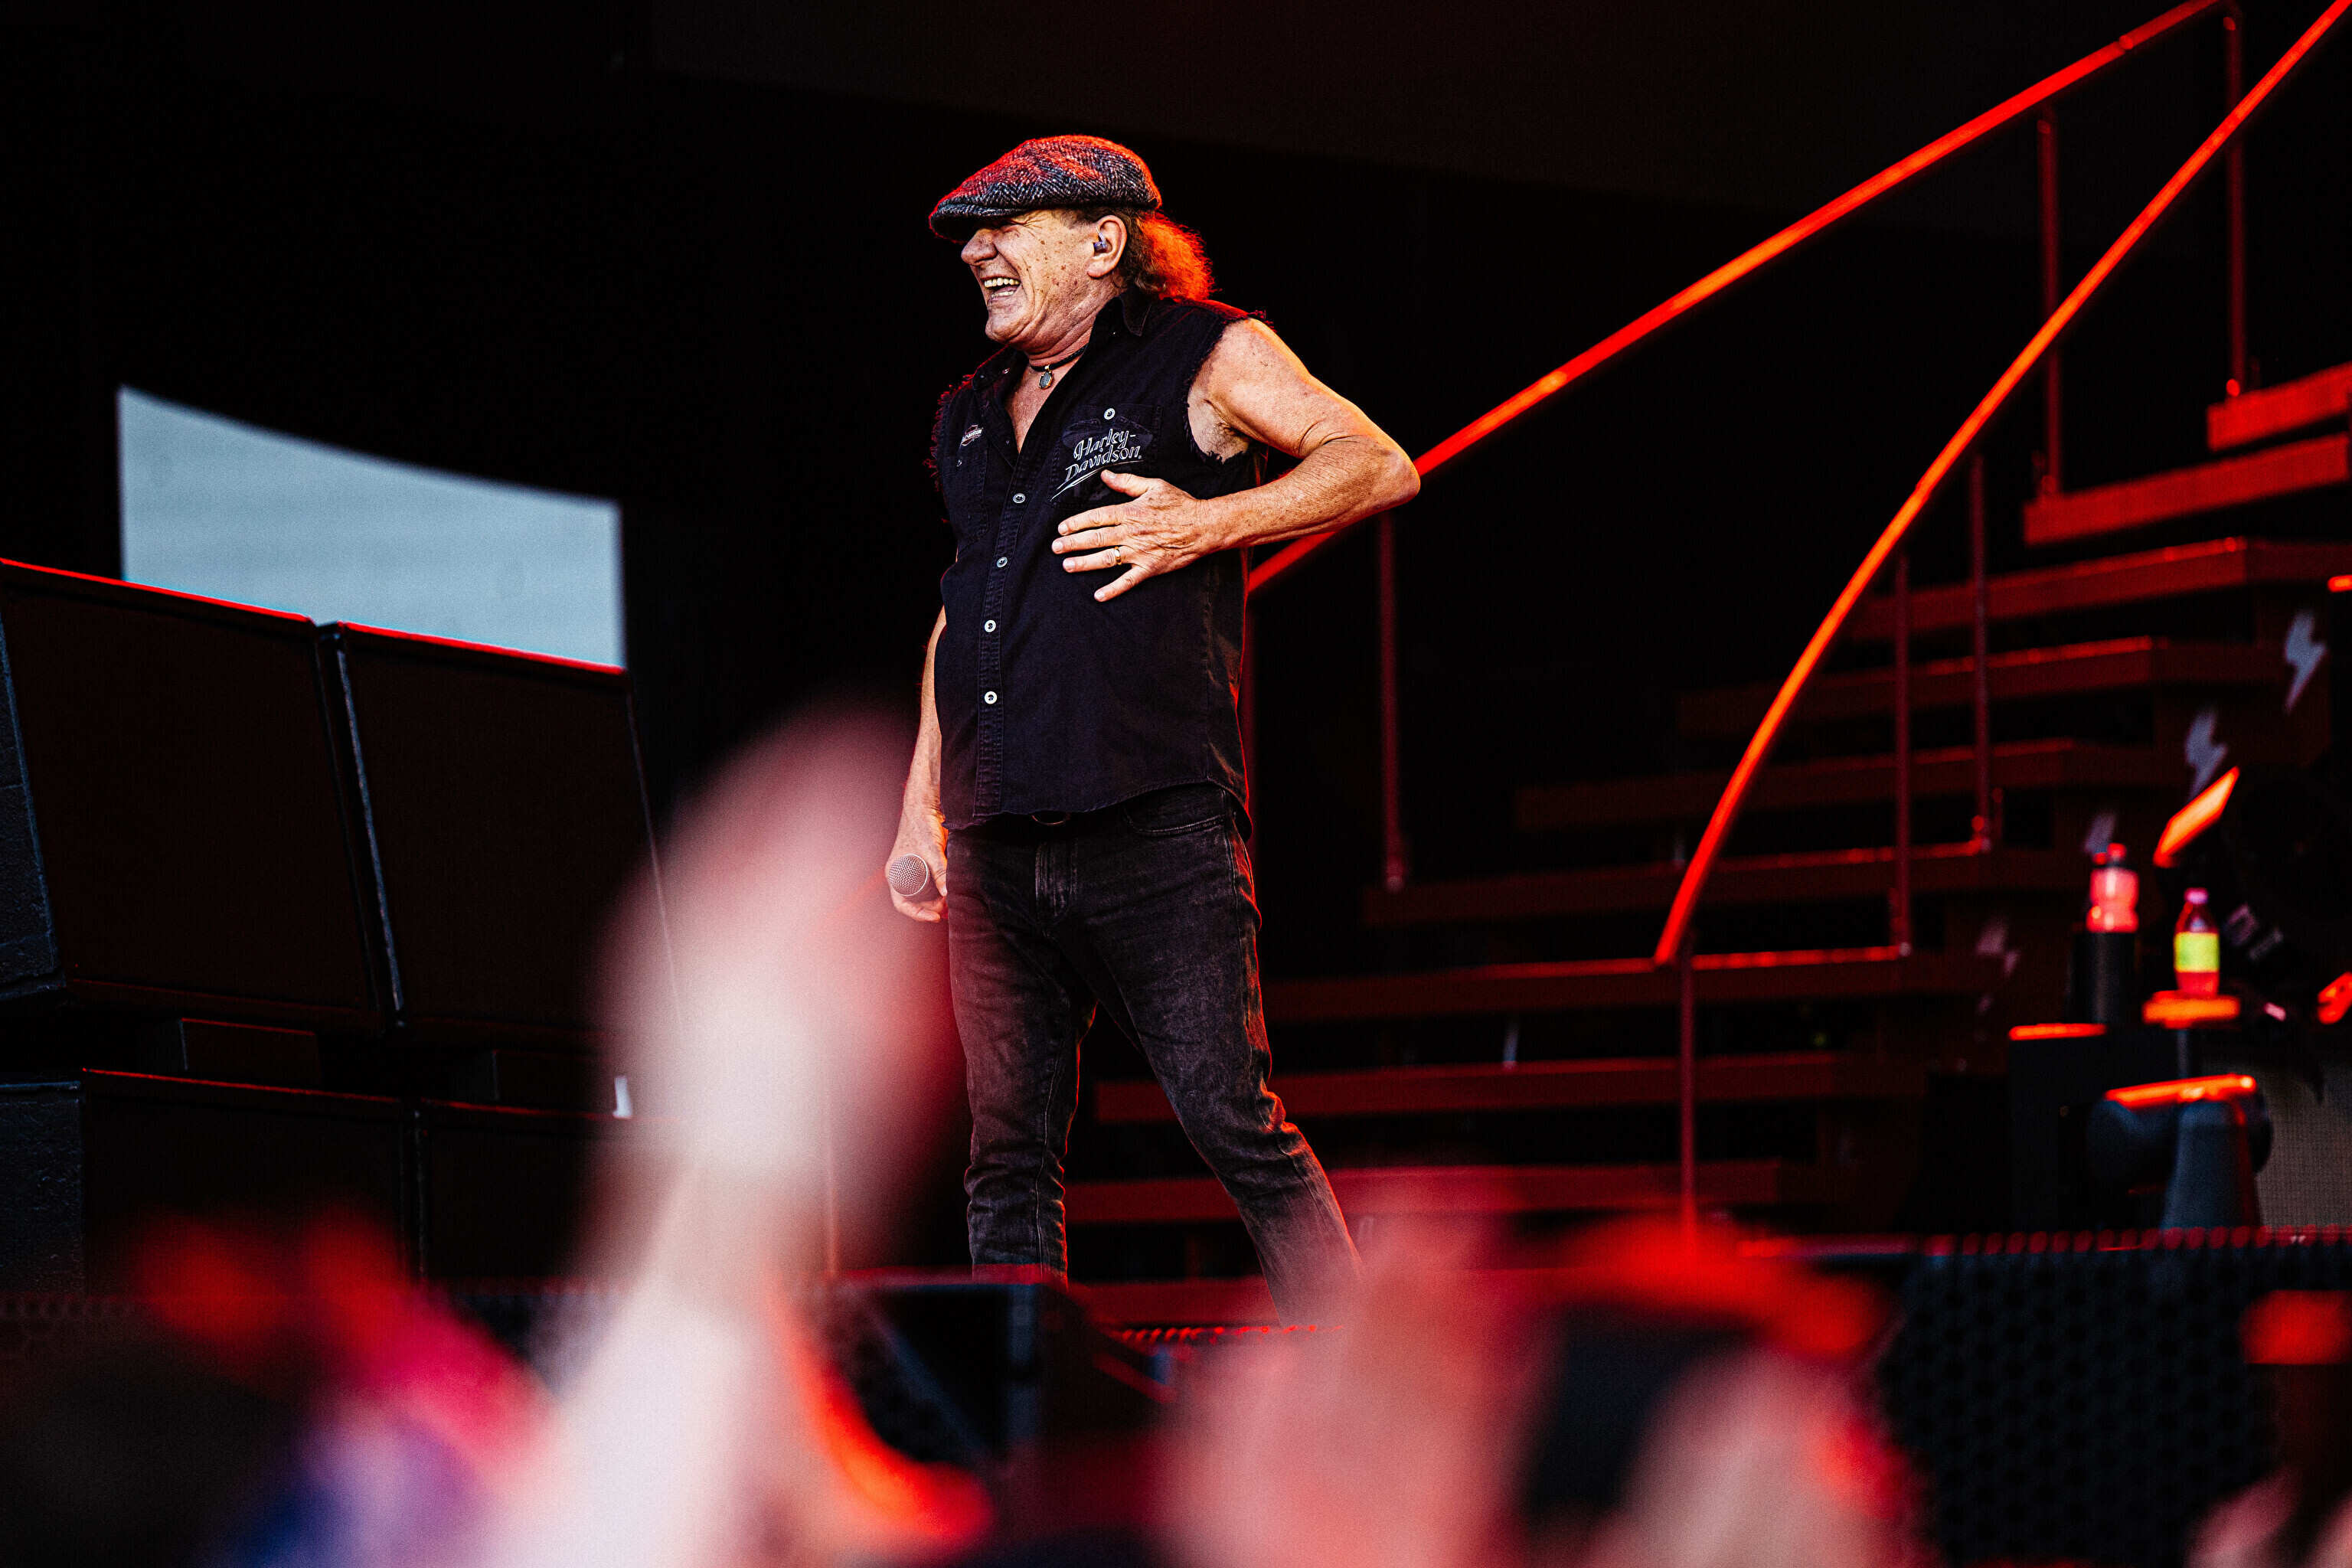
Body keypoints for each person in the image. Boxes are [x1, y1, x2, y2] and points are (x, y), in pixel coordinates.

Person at [889, 135, 1419, 1322]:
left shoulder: (1206, 351)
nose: (976, 252)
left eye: (1004, 229)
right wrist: (918, 808)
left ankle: (1350, 1364)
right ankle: (1023, 1402)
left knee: (1230, 1115)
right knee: (1005, 1156)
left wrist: (1203, 523)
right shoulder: (971, 410)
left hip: (1150, 822)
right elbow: (961, 613)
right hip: (994, 835)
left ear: (1102, 242)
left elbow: (1377, 463)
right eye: (969, 238)